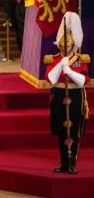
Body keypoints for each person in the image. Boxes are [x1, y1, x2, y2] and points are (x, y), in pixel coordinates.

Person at [45, 12, 90, 174]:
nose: (65, 46)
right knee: (62, 131)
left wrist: (69, 71)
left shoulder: (80, 58)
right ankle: (63, 163)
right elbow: (50, 78)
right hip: (58, 96)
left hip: (75, 96)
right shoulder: (55, 58)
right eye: (63, 43)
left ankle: (72, 162)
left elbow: (83, 80)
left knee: (74, 130)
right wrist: (60, 65)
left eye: (68, 43)